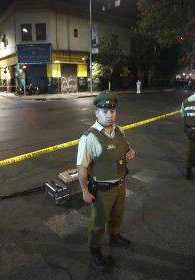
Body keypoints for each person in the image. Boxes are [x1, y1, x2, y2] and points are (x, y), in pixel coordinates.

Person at [76, 90, 136, 272]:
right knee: (98, 222)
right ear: (97, 113)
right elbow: (81, 167)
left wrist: (131, 152)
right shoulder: (89, 137)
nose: (109, 115)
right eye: (105, 111)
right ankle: (94, 250)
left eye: (112, 111)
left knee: (118, 215)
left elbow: (124, 149)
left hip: (120, 184)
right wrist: (85, 191)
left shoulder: (119, 130)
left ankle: (115, 235)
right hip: (102, 190)